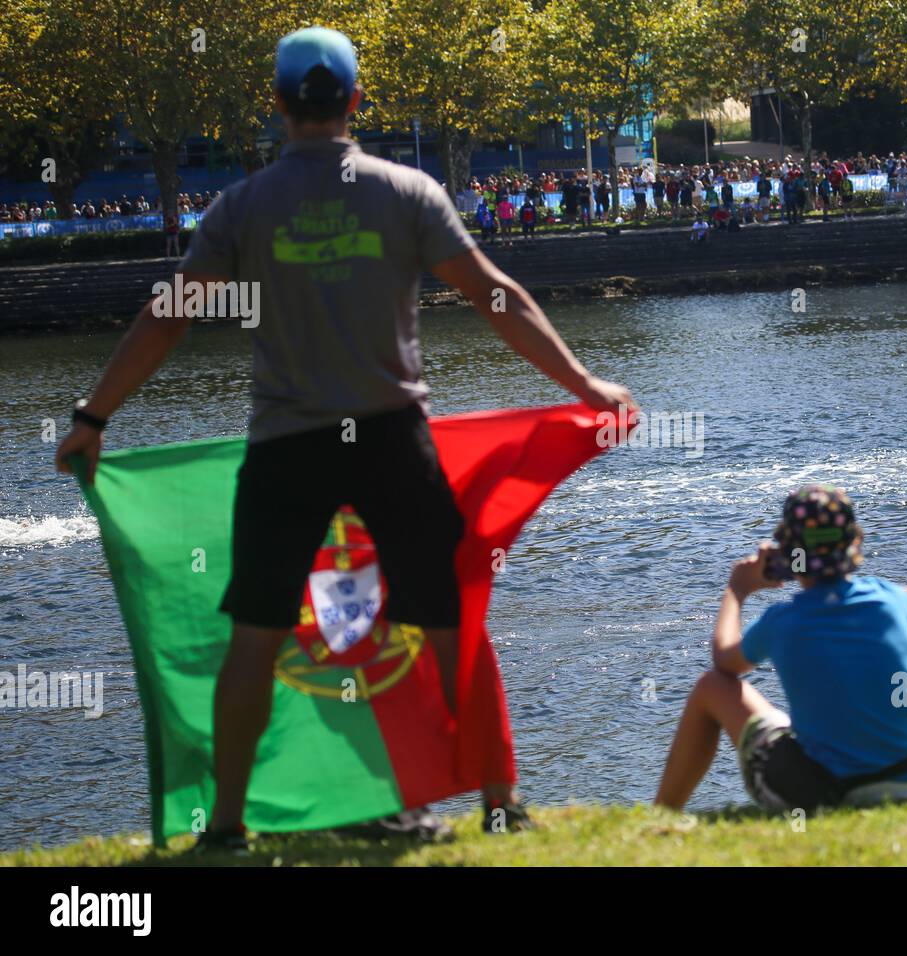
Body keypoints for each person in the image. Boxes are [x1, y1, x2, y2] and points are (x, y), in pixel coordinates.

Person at [55, 26, 635, 852]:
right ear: (357, 102)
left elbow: (168, 316)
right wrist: (587, 386)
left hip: (287, 448)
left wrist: (92, 418)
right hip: (395, 439)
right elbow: (495, 295)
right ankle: (501, 804)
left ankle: (224, 830)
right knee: (448, 617)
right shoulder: (407, 190)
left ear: (279, 107)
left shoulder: (242, 205)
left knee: (257, 634)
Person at [655, 485, 907, 814]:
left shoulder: (783, 620)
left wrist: (737, 589)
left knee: (712, 685)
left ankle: (663, 812)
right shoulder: (891, 601)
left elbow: (725, 660)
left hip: (822, 794)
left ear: (786, 555)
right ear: (855, 543)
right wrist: (882, 593)